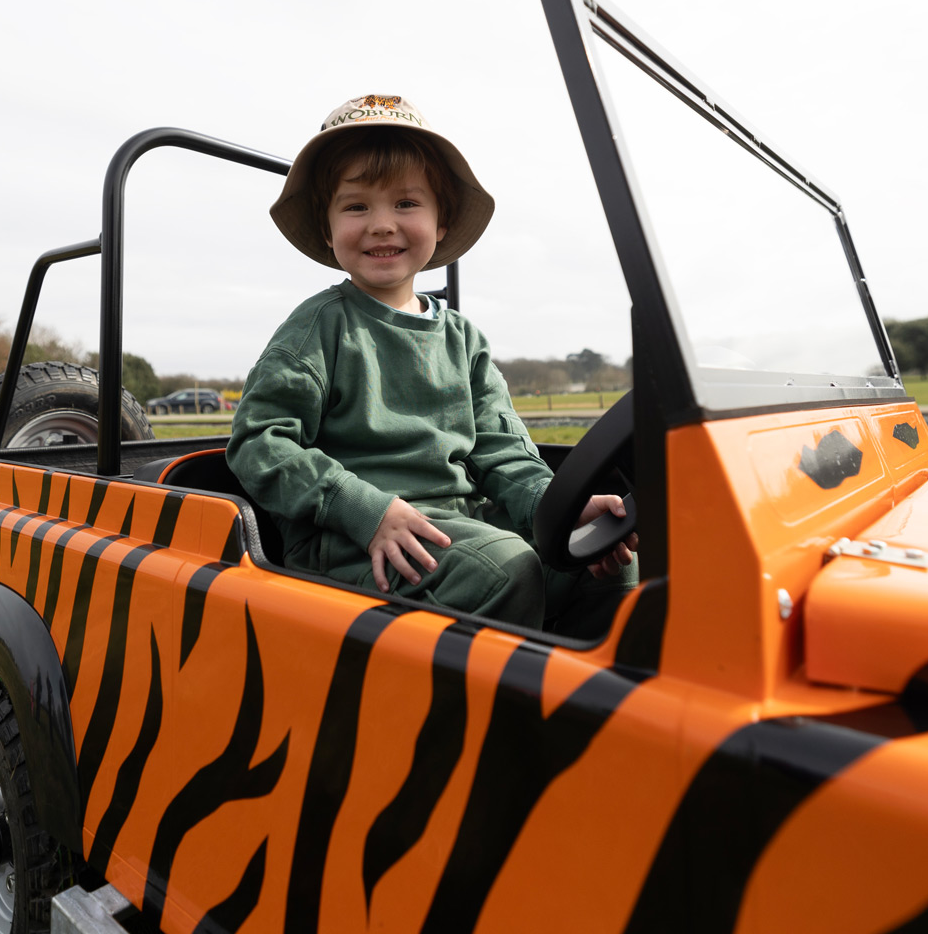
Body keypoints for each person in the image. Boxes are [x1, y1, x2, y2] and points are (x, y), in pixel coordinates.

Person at [226, 94, 637, 639]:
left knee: (603, 557)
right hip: (351, 540)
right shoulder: (319, 328)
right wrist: (365, 510)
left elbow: (503, 450)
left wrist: (556, 508)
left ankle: (586, 711)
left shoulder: (463, 338)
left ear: (440, 222)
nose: (380, 225)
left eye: (405, 204)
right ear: (327, 230)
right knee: (509, 568)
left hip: (457, 527)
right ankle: (486, 717)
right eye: (355, 207)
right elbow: (258, 443)